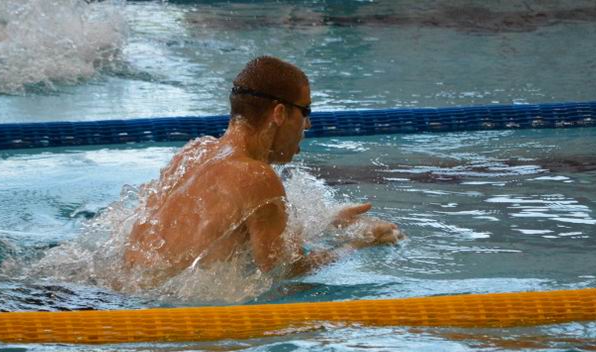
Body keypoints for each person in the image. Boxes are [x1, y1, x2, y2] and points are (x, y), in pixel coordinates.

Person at [124, 56, 401, 285]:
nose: (307, 125)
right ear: (279, 113)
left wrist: (327, 222)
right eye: (305, 111)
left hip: (119, 292)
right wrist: (358, 244)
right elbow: (283, 272)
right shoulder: (257, 177)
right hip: (164, 316)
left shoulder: (195, 151)